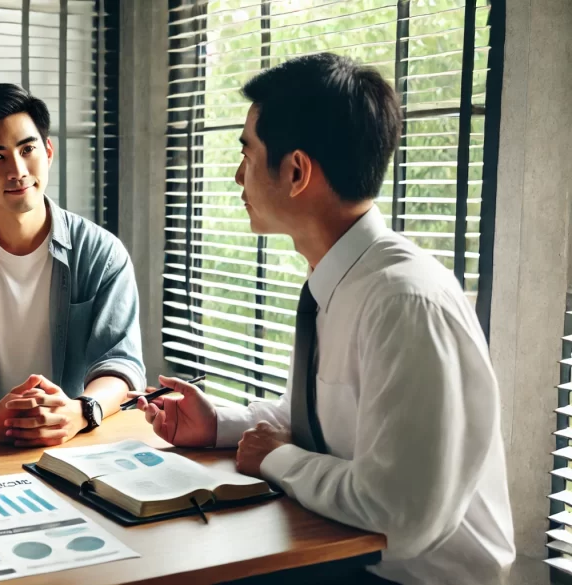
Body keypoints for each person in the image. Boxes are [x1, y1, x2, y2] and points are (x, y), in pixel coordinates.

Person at [136, 54, 515, 585]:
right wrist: (220, 425)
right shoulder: (342, 278)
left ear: (295, 172)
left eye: (247, 153)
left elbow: (399, 517)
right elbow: (331, 424)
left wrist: (278, 459)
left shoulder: (405, 302)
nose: (238, 174)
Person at [0, 83, 145, 447]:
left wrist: (81, 411)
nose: (17, 170)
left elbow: (121, 363)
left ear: (48, 151)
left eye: (28, 149)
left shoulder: (102, 253)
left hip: (74, 441)